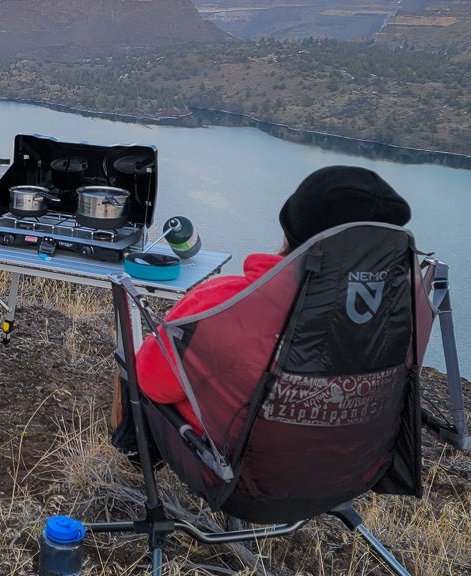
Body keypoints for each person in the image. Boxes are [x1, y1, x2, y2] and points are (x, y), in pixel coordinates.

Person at [132, 165, 411, 432]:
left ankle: (132, 455)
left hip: (239, 466)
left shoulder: (229, 302)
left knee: (137, 368)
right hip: (351, 466)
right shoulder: (396, 317)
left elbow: (152, 381)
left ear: (293, 230)